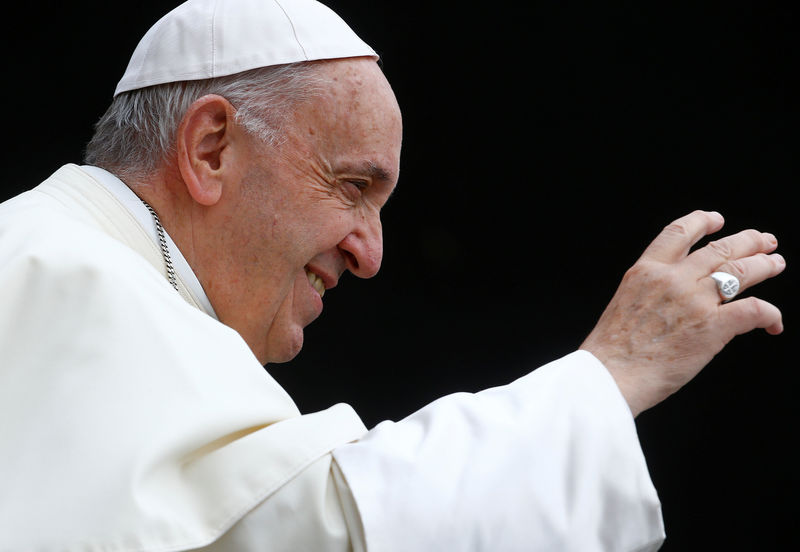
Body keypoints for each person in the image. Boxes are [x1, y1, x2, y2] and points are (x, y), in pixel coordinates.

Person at [0, 0, 785, 550]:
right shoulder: (66, 276)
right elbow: (321, 531)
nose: (370, 255)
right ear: (211, 149)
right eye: (351, 187)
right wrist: (611, 375)